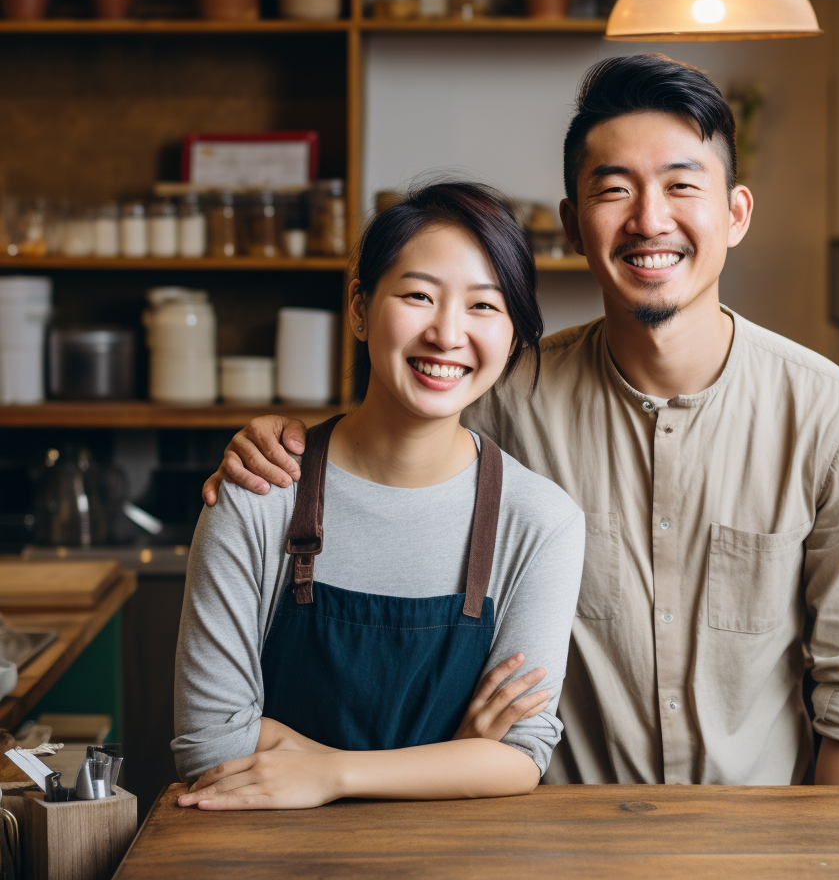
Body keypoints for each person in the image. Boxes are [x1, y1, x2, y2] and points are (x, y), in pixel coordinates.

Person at [203, 54, 839, 788]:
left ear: (734, 214)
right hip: (550, 839)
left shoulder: (836, 419)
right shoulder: (505, 398)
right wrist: (285, 441)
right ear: (574, 226)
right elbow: (388, 428)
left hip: (753, 849)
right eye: (615, 190)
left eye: (681, 186)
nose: (649, 219)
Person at [173, 182, 585, 809]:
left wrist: (328, 773)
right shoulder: (260, 495)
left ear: (513, 336)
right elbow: (207, 746)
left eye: (484, 306)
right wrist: (455, 755)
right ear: (360, 309)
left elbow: (519, 755)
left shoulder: (539, 521)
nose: (447, 334)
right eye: (418, 296)